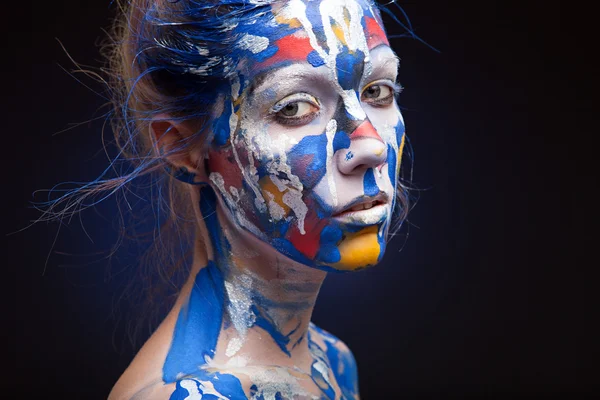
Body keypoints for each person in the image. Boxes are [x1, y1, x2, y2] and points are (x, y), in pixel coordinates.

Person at [64, 0, 410, 398]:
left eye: (378, 90)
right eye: (294, 107)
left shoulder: (333, 363)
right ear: (180, 148)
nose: (371, 146)